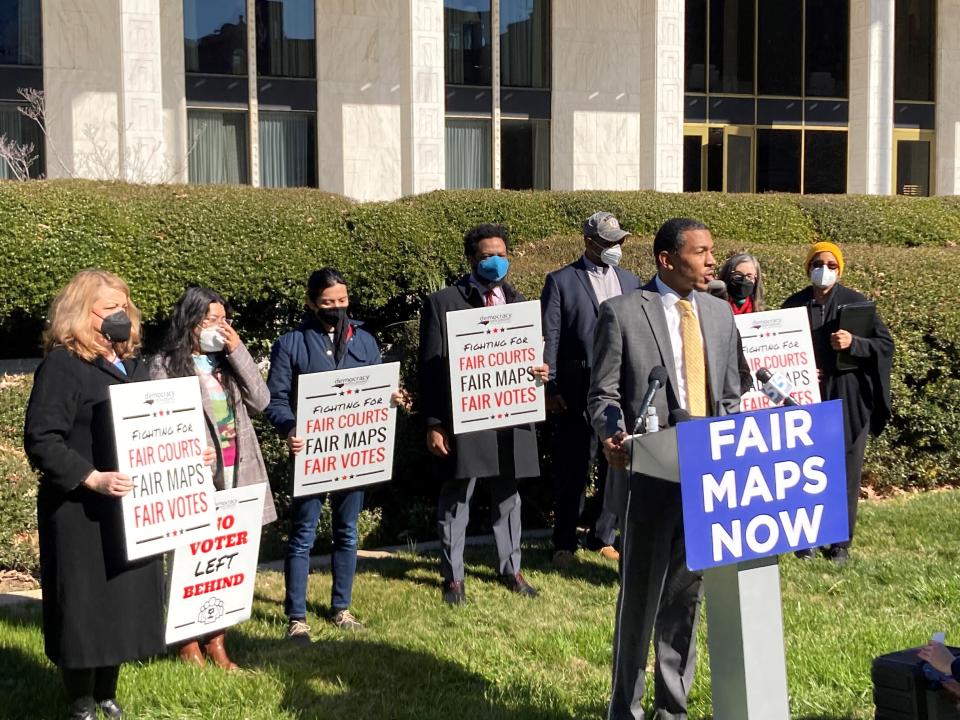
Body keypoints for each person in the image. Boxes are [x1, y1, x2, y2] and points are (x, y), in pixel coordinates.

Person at [588, 218, 741, 720]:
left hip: (708, 476)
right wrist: (612, 432)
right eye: (700, 252)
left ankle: (671, 710)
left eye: (711, 251)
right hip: (649, 475)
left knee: (685, 600)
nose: (711, 261)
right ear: (666, 259)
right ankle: (624, 710)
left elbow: (731, 395)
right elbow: (604, 394)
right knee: (641, 603)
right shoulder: (622, 313)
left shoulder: (719, 314)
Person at [23, 270, 167, 720]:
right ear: (80, 314)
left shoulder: (134, 366)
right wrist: (92, 478)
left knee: (121, 606)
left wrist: (185, 453)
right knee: (86, 609)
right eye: (108, 308)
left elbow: (155, 429)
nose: (119, 315)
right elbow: (42, 438)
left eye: (124, 306)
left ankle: (107, 693)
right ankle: (80, 701)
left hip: (129, 512)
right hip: (80, 513)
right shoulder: (64, 365)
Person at [419, 223, 549, 605]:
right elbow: (428, 369)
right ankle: (453, 577)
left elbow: (531, 355)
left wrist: (541, 371)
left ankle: (511, 568)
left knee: (509, 496)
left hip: (512, 415)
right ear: (472, 259)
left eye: (501, 254)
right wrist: (434, 423)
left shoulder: (521, 303)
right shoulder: (443, 302)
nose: (495, 261)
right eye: (487, 255)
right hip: (465, 417)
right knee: (458, 495)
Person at [150, 286, 278, 669]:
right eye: (211, 320)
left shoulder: (226, 364)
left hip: (237, 471)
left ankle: (218, 640)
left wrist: (237, 350)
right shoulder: (163, 365)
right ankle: (188, 642)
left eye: (224, 319)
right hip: (195, 474)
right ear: (190, 323)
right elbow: (161, 424)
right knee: (191, 556)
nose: (219, 327)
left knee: (226, 556)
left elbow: (261, 401)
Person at [266, 268, 388, 642]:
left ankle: (341, 608)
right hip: (312, 455)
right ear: (310, 303)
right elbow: (275, 398)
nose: (336, 308)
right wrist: (290, 429)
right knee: (303, 534)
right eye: (327, 303)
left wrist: (393, 398)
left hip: (354, 455)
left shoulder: (364, 341)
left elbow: (379, 386)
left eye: (342, 301)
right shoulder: (291, 344)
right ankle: (297, 616)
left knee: (347, 532)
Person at [541, 211, 642, 569]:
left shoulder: (631, 281)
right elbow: (550, 336)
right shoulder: (561, 281)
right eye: (608, 241)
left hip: (619, 386)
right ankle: (564, 540)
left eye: (619, 240)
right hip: (575, 385)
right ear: (588, 242)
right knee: (573, 465)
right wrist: (549, 386)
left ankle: (603, 535)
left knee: (616, 460)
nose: (616, 247)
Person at [782, 241, 894, 564]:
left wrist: (854, 343)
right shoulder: (794, 304)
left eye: (832, 265)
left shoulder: (856, 303)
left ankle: (840, 544)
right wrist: (799, 370)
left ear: (840, 269)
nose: (825, 270)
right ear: (808, 267)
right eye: (818, 263)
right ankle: (806, 540)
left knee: (845, 468)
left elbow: (884, 345)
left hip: (848, 396)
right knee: (804, 467)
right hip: (806, 396)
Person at [715, 252, 765, 395]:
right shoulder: (714, 310)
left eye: (750, 276)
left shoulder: (761, 315)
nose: (744, 280)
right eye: (738, 275)